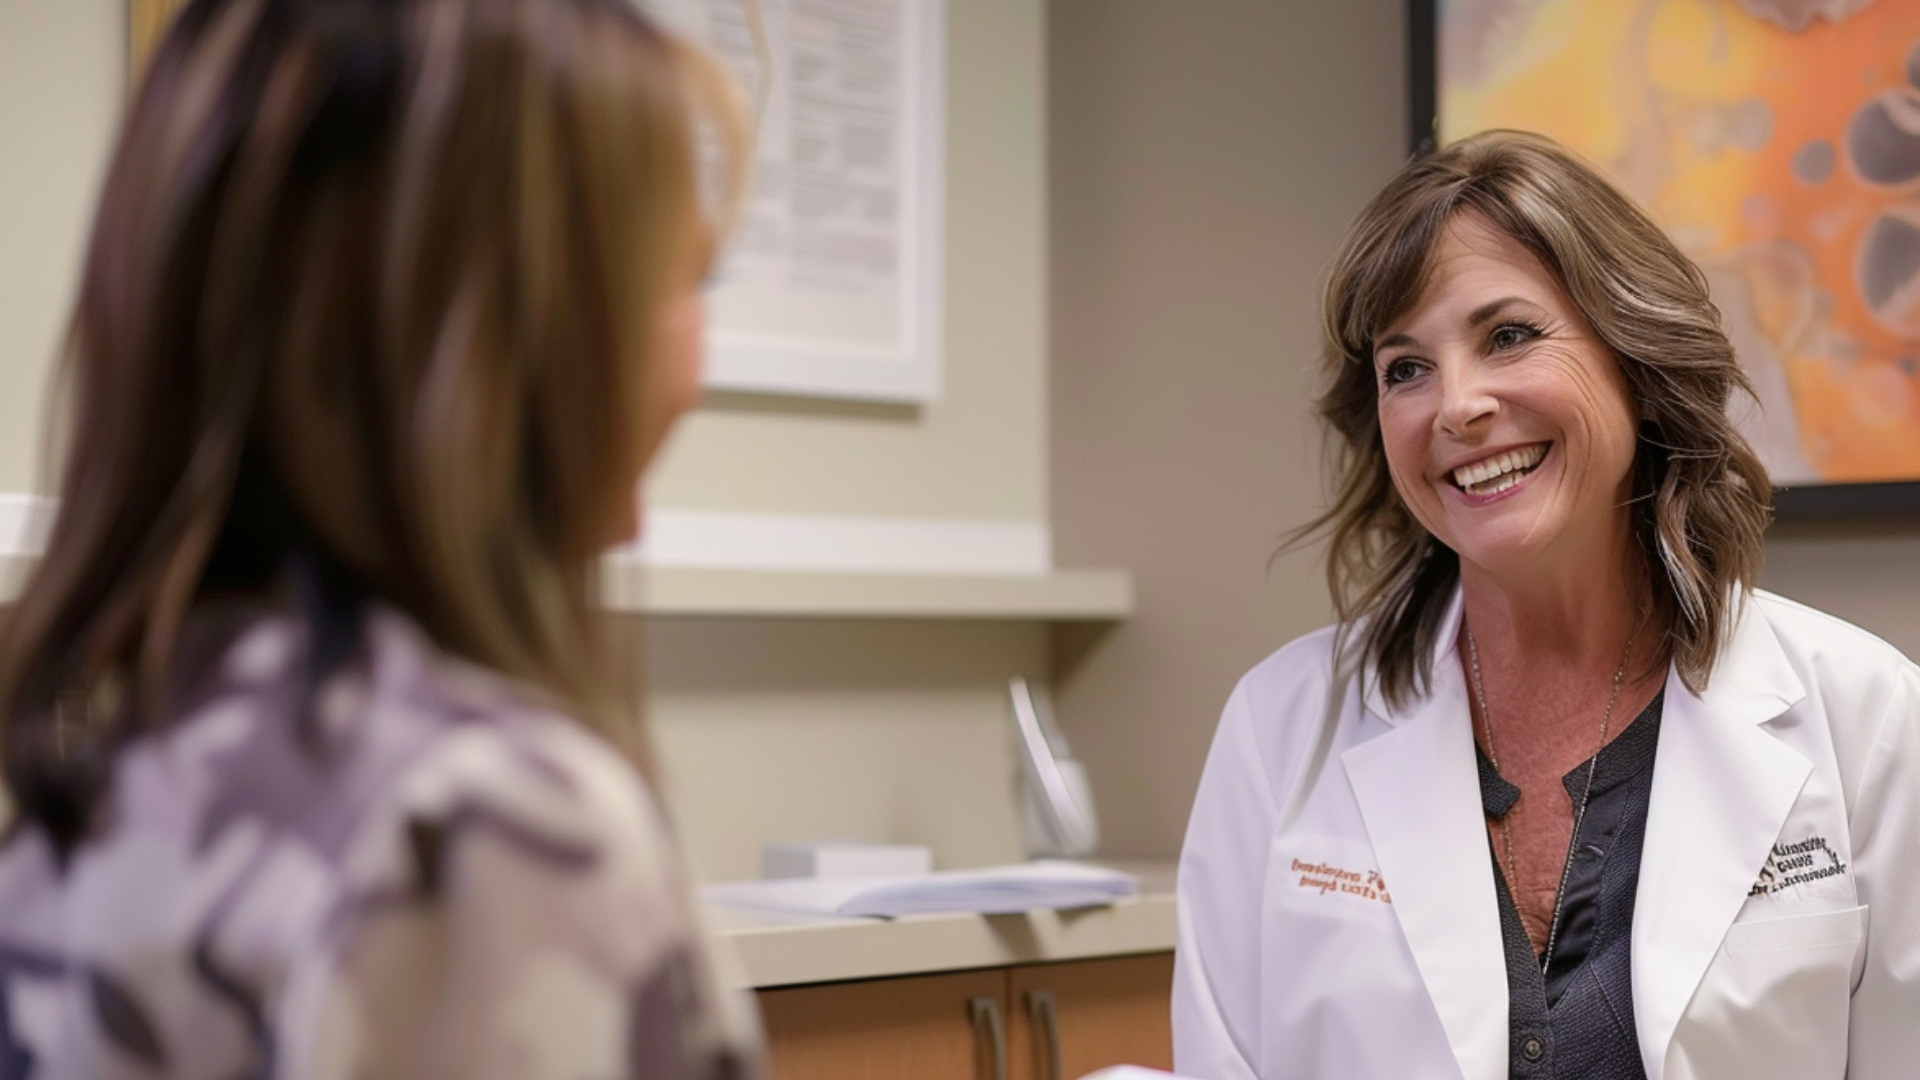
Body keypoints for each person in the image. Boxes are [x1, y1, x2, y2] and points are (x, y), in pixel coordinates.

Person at [0, 0, 759, 1077]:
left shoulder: (87, 802)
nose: (700, 365)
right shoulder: (487, 828)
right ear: (513, 336)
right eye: (683, 280)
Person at [1172, 130, 1920, 1080]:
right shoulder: (1278, 729)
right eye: (1406, 367)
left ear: (1635, 366)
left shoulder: (1867, 715)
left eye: (1509, 336)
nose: (1457, 405)